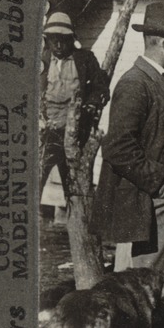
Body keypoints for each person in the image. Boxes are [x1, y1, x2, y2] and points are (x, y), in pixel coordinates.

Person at [92, 0, 164, 278]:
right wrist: (163, 184)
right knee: (150, 284)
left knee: (162, 284)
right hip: (154, 202)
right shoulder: (135, 83)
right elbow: (118, 147)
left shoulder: (161, 82)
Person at [39, 11, 110, 194]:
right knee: (35, 181)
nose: (59, 44)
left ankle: (77, 220)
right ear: (47, 40)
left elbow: (100, 88)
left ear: (72, 39)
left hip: (74, 134)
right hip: (45, 132)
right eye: (54, 39)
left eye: (63, 39)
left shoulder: (85, 60)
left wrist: (91, 105)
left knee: (74, 186)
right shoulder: (40, 61)